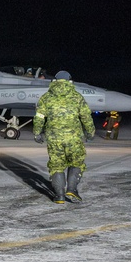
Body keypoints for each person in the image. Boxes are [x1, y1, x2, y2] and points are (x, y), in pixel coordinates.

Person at [33, 70, 96, 204]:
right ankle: (72, 189)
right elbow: (86, 116)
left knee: (56, 165)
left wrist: (37, 132)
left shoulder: (46, 97)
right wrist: (90, 133)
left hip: (54, 138)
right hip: (74, 138)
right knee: (76, 162)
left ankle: (60, 196)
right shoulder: (77, 97)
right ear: (69, 80)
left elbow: (39, 117)